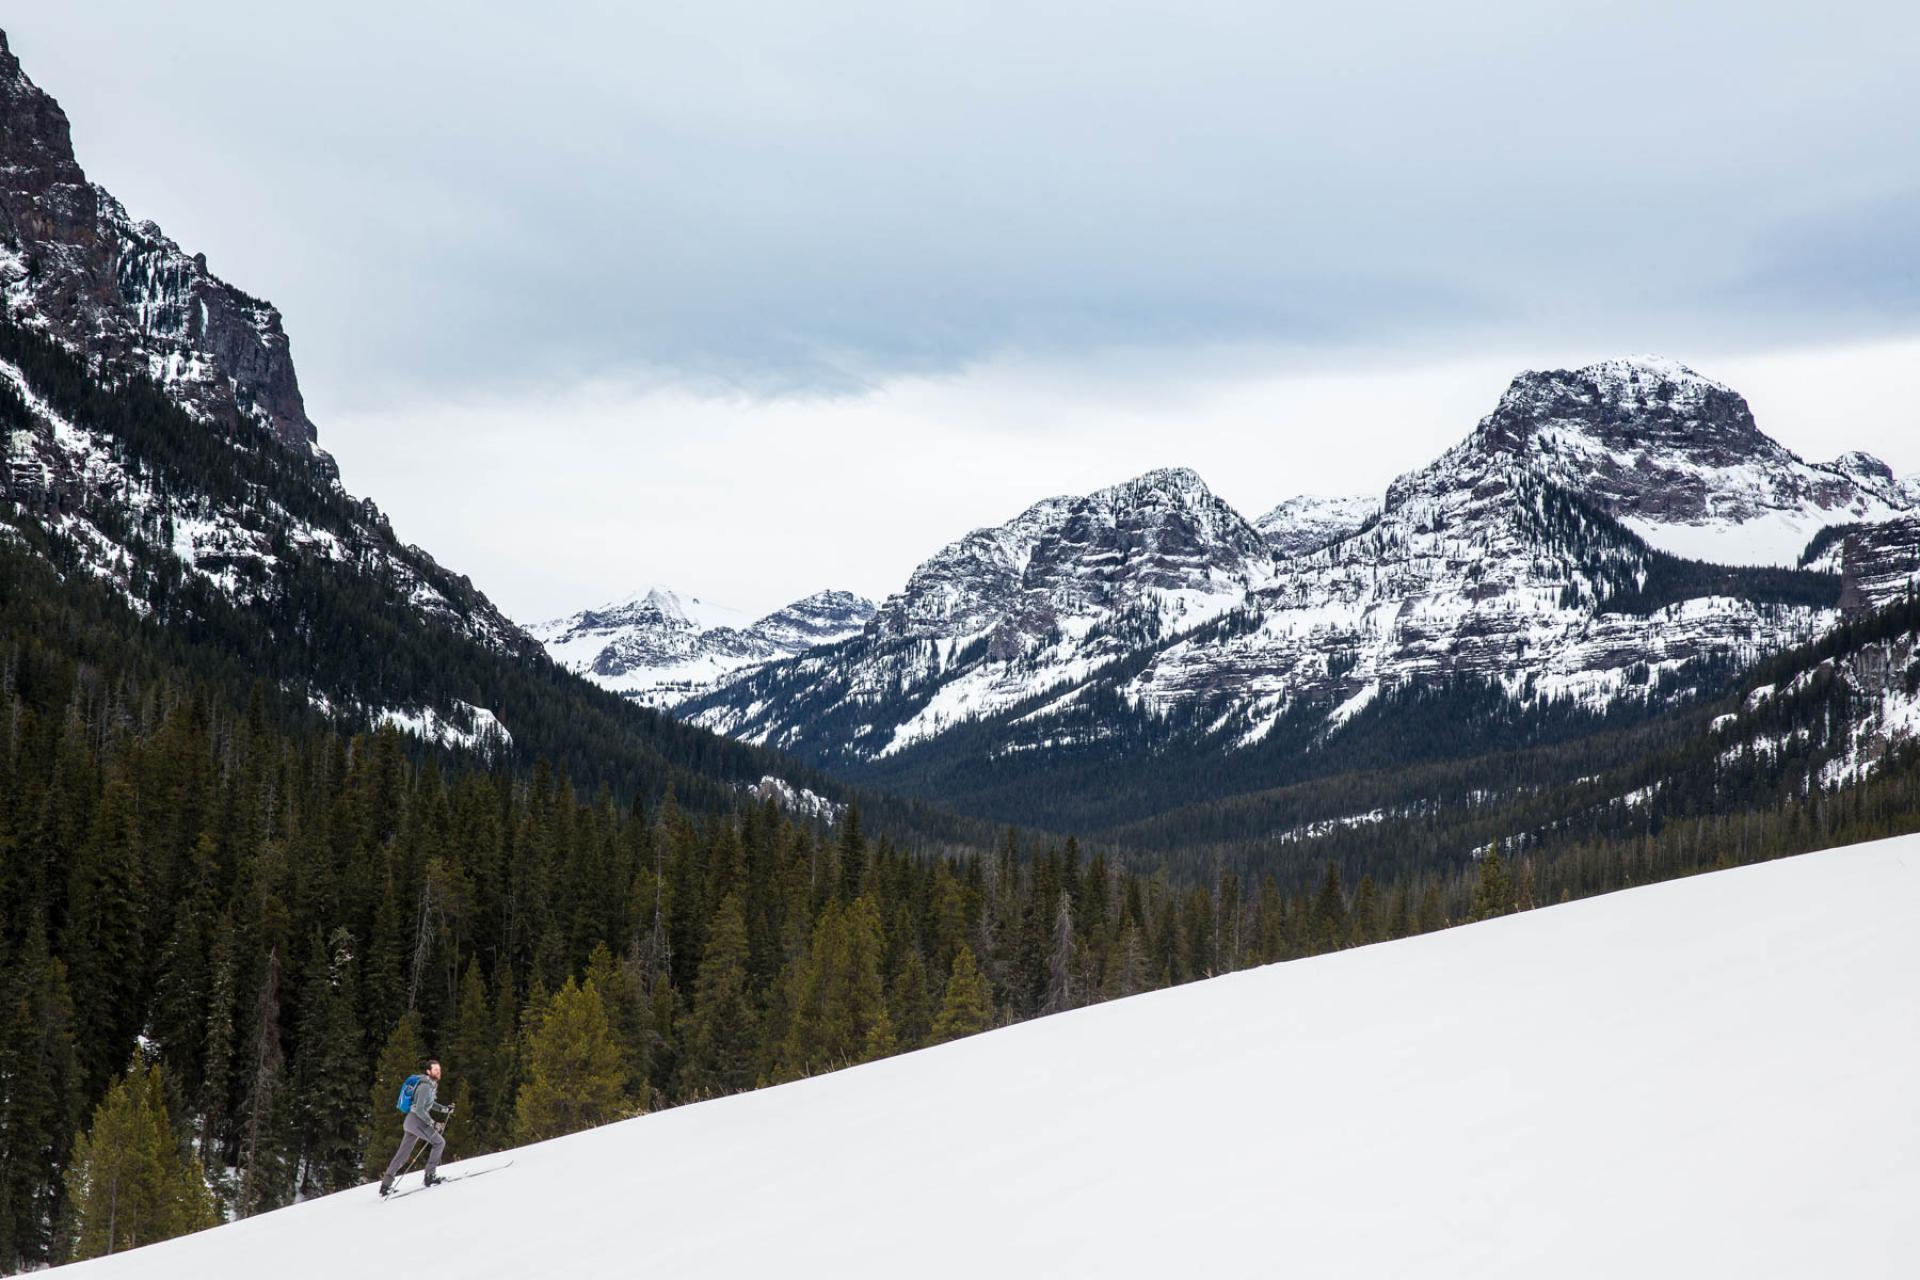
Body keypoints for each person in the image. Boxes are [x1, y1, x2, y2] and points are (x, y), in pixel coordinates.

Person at [379, 1059, 452, 1196]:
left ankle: (385, 1186)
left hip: (411, 1122)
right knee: (439, 1142)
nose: (438, 1071)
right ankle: (429, 1176)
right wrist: (433, 1123)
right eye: (435, 1069)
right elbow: (419, 1109)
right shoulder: (425, 1086)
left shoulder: (431, 1085)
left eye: (439, 1069)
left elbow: (430, 1104)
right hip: (416, 1120)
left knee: (402, 1155)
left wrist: (444, 1109)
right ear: (428, 1071)